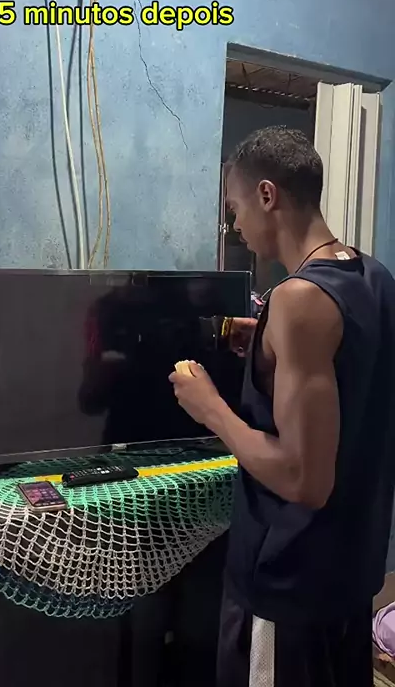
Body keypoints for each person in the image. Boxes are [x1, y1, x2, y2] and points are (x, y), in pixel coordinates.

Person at [169, 126, 395, 687]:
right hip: (349, 576)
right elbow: (349, 376)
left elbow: (303, 478)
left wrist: (210, 408)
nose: (235, 226)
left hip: (288, 584)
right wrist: (267, 345)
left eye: (235, 208)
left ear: (267, 195)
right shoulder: (374, 277)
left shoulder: (298, 301)